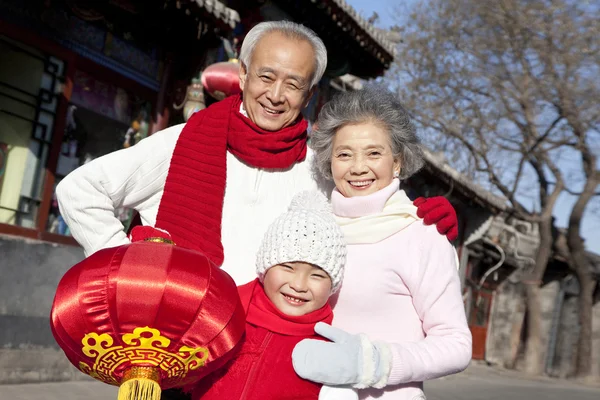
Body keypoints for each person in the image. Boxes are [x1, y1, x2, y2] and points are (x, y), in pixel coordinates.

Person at [56, 21, 459, 287]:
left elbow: (363, 224)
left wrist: (416, 221)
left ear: (310, 95)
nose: (276, 95)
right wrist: (128, 271)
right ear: (244, 75)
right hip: (175, 344)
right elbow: (80, 192)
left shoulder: (317, 165)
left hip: (269, 355)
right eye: (265, 76)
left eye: (293, 84)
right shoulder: (181, 142)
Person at [292, 87, 472, 400]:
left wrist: (375, 364)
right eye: (344, 154)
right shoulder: (312, 229)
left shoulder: (421, 234)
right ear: (328, 162)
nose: (358, 167)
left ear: (398, 162)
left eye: (374, 153)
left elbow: (456, 343)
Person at [191, 191, 355, 400]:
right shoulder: (225, 316)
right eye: (287, 267)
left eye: (317, 275)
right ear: (265, 268)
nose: (298, 285)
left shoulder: (328, 348)